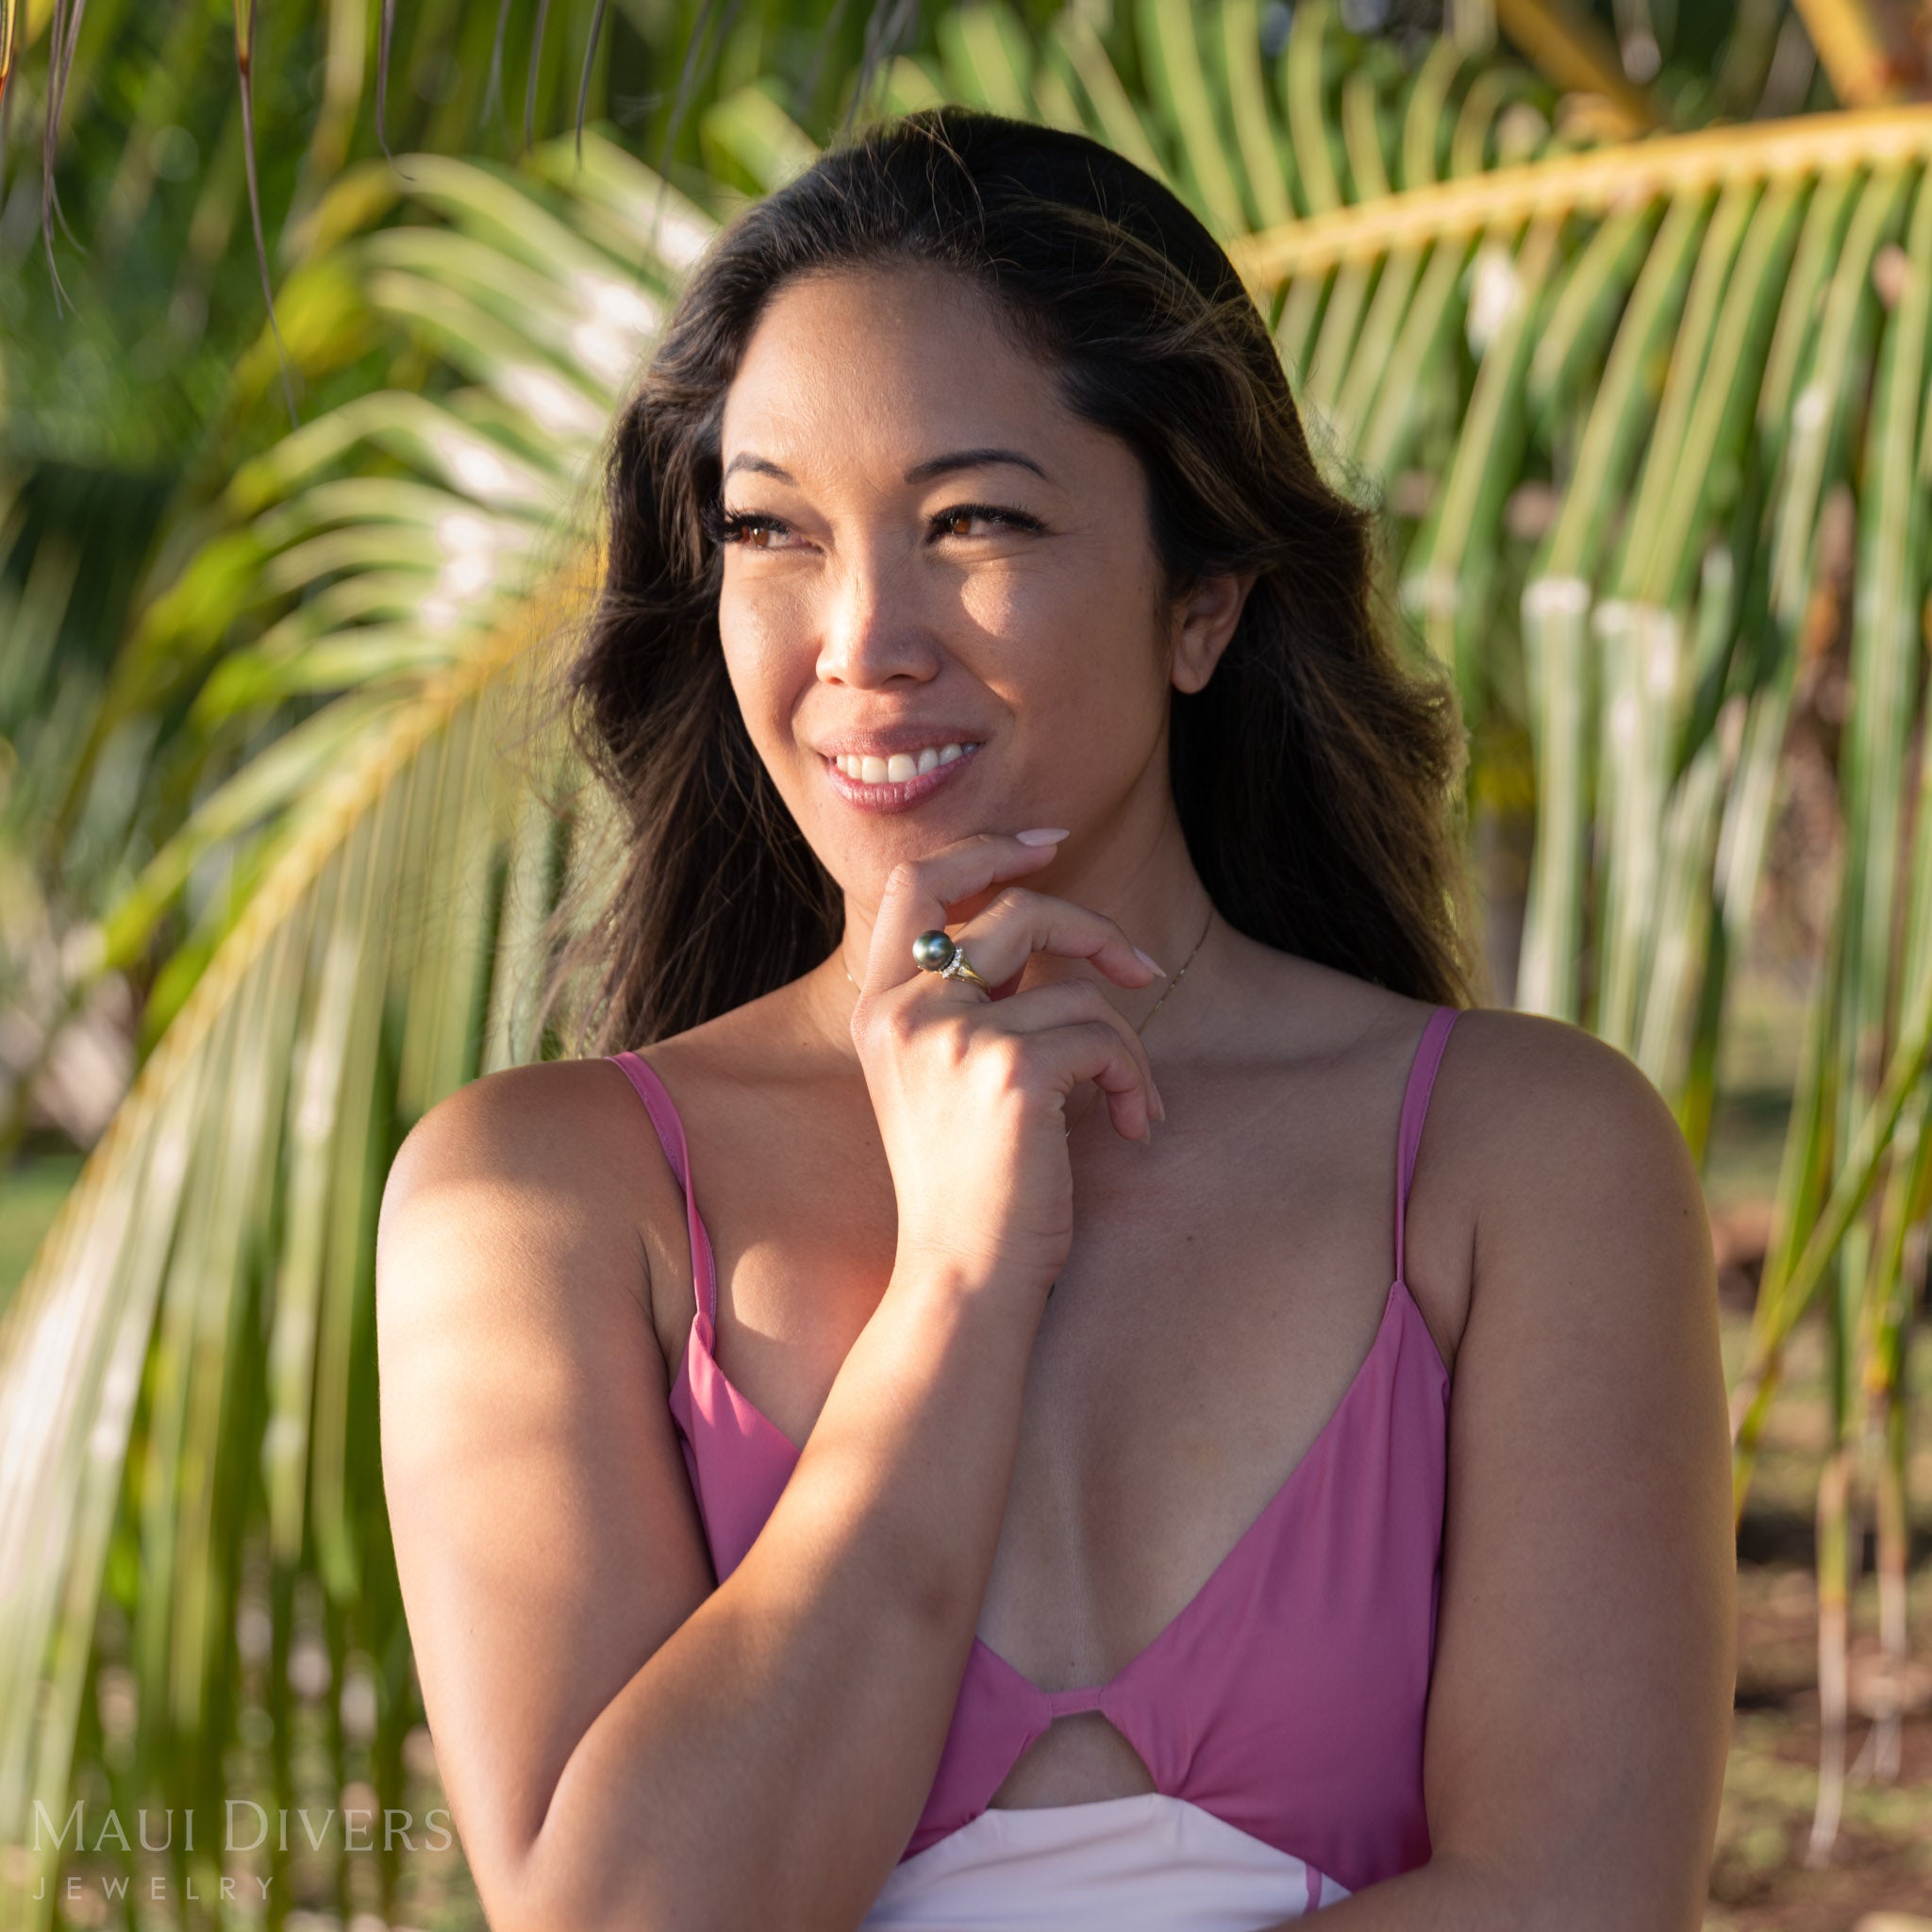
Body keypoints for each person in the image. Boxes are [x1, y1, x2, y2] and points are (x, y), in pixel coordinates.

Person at [375, 107, 1736, 1931]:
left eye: (974, 521)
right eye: (774, 532)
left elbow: (1576, 1898)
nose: (861, 638)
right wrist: (950, 1290)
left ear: (1206, 601)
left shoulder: (1526, 1160)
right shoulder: (536, 1202)